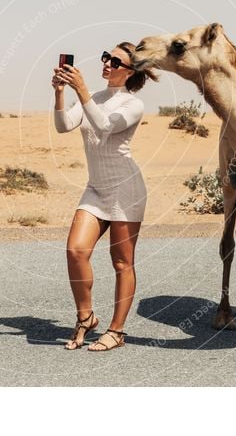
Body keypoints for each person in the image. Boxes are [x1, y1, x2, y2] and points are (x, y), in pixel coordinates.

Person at [52, 42, 156, 351]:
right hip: (96, 188)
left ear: (130, 71)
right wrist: (60, 92)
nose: (107, 63)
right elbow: (63, 125)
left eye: (115, 61)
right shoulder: (94, 98)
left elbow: (105, 125)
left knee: (122, 262)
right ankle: (86, 317)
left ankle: (117, 331)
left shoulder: (132, 104)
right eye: (105, 57)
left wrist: (81, 90)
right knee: (76, 251)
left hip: (126, 190)